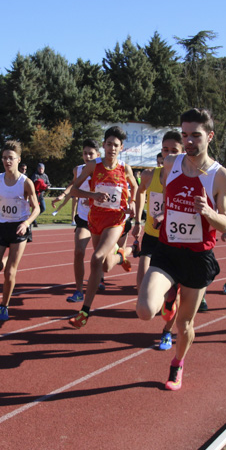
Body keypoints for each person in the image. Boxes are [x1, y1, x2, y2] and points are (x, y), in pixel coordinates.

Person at [136, 108, 226, 391]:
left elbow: (225, 223)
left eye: (196, 135)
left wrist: (207, 212)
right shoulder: (171, 163)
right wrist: (165, 214)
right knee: (144, 310)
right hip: (167, 250)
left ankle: (177, 364)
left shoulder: (220, 175)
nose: (189, 141)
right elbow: (168, 196)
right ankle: (169, 300)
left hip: (197, 257)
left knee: (184, 325)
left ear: (210, 136)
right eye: (185, 134)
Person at [67, 126, 138, 329]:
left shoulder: (125, 168)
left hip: (116, 219)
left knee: (96, 258)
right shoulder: (92, 166)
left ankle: (84, 311)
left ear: (121, 148)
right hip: (95, 219)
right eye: (109, 144)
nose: (112, 148)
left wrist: (132, 202)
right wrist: (93, 196)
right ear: (104, 145)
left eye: (116, 145)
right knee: (105, 265)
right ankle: (124, 253)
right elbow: (74, 190)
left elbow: (136, 187)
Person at [132, 130, 183, 350]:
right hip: (153, 237)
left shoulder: (186, 177)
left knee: (174, 293)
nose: (168, 155)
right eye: (165, 150)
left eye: (174, 151)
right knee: (141, 281)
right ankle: (161, 300)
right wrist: (138, 219)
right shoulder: (148, 175)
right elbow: (140, 192)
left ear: (182, 153)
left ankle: (167, 332)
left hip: (175, 240)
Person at [0, 141, 41, 321]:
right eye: (4, 158)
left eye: (11, 158)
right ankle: (6, 259)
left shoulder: (25, 182)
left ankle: (4, 305)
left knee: (10, 273)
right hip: (0, 225)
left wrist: (27, 223)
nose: (7, 161)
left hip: (19, 228)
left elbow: (36, 208)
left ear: (18, 159)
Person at [51, 139, 100, 303]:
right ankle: (79, 290)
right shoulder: (78, 169)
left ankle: (101, 274)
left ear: (97, 155)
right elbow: (73, 185)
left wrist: (92, 198)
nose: (87, 156)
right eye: (85, 153)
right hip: (84, 218)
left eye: (91, 153)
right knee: (79, 251)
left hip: (102, 219)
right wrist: (62, 195)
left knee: (101, 257)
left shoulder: (104, 169)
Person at [32, 163, 51, 227]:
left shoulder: (45, 176)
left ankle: (32, 217)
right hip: (35, 195)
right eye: (39, 169)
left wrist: (47, 186)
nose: (41, 170)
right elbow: (34, 183)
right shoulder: (35, 175)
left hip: (41, 195)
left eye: (42, 169)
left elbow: (48, 183)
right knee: (35, 208)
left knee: (43, 208)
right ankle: (33, 221)